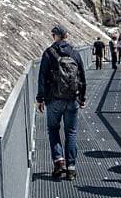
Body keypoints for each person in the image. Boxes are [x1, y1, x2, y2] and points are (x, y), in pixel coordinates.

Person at [36, 24, 87, 180]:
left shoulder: (48, 53)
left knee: (53, 130)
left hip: (53, 99)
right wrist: (82, 98)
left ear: (56, 36)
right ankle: (71, 167)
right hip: (72, 100)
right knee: (71, 132)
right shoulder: (75, 53)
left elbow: (42, 78)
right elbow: (82, 77)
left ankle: (59, 163)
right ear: (66, 36)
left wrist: (40, 99)